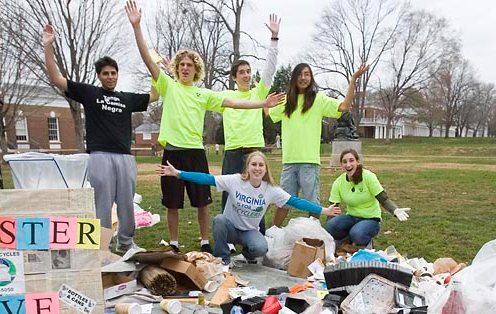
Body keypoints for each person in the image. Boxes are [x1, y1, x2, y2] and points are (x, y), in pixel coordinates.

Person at [126, 0, 284, 254]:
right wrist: (137, 28)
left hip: (197, 152)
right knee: (173, 203)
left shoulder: (204, 94)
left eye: (190, 65)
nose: (186, 68)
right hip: (174, 153)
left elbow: (233, 102)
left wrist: (262, 103)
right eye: (182, 65)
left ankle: (205, 241)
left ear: (196, 69)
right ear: (176, 69)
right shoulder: (169, 86)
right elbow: (148, 60)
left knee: (203, 202)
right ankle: (175, 244)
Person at [43, 23, 158, 253]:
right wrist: (48, 47)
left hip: (125, 157)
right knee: (102, 204)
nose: (110, 77)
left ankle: (126, 243)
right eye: (105, 73)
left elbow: (154, 95)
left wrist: (157, 68)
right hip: (100, 157)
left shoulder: (126, 98)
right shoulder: (90, 93)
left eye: (113, 73)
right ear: (99, 76)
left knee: (126, 203)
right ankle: (103, 246)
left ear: (117, 75)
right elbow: (56, 78)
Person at [158, 151, 341, 265]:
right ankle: (223, 260)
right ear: (248, 167)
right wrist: (178, 173)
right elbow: (207, 178)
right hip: (229, 228)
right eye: (254, 164)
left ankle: (247, 252)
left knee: (261, 248)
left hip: (248, 232)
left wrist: (323, 210)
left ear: (265, 169)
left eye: (261, 165)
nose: (257, 168)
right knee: (219, 219)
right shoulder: (235, 180)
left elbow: (295, 201)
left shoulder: (270, 190)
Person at [269, 62, 369, 227]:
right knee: (284, 201)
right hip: (289, 161)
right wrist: (265, 101)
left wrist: (353, 80)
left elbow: (344, 106)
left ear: (311, 78)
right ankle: (272, 232)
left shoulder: (318, 100)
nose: (303, 78)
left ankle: (314, 234)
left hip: (310, 162)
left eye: (307, 74)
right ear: (294, 78)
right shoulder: (286, 101)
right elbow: (269, 113)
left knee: (312, 203)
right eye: (300, 74)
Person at [220, 14, 280, 224]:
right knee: (229, 196)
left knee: (257, 197)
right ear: (234, 77)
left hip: (254, 153)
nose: (246, 75)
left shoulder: (258, 92)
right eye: (242, 72)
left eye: (248, 71)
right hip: (232, 153)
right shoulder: (224, 98)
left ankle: (257, 235)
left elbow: (270, 69)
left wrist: (274, 39)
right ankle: (227, 235)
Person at [326, 148, 410, 248]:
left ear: (358, 161)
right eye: (344, 162)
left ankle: (367, 244)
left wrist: (395, 210)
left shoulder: (368, 177)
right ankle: (345, 241)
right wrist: (327, 231)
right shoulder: (338, 182)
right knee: (331, 226)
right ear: (341, 165)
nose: (348, 165)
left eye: (351, 160)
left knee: (357, 233)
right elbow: (332, 208)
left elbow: (384, 199)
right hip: (352, 217)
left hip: (371, 219)